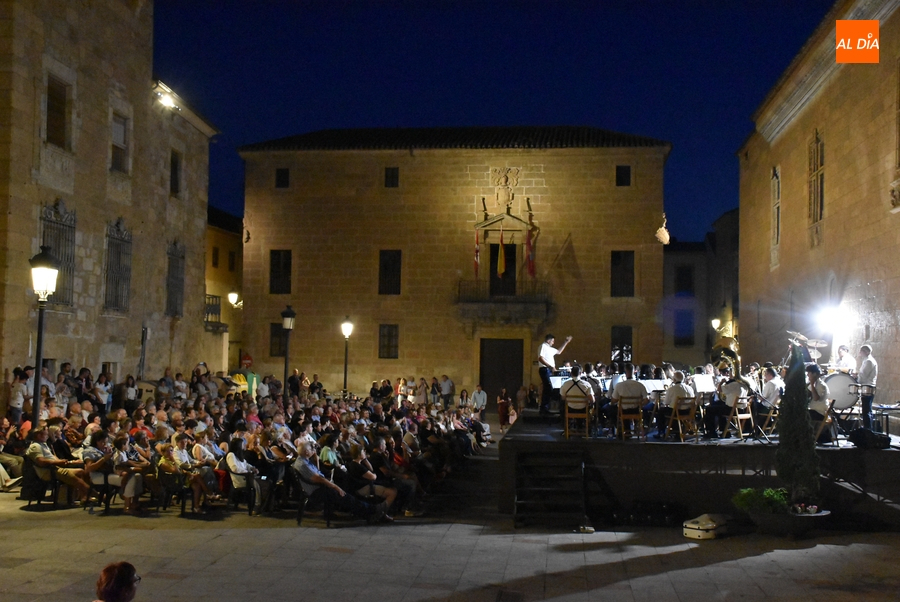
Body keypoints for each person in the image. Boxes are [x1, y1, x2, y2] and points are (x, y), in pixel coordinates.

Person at [292, 440, 390, 523]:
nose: (314, 450)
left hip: (319, 486)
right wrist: (335, 487)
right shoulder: (303, 464)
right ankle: (372, 510)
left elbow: (317, 473)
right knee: (344, 494)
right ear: (306, 452)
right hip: (317, 490)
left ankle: (367, 512)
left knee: (346, 492)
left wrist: (316, 459)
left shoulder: (304, 460)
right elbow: (319, 479)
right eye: (311, 449)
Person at [610, 363, 647, 436]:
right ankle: (636, 427)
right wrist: (640, 405)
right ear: (634, 371)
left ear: (625, 372)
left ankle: (623, 429)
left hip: (623, 411)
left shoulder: (619, 385)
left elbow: (613, 400)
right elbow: (647, 399)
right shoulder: (640, 385)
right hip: (636, 410)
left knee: (611, 410)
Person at [538, 334, 572, 414]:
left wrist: (566, 342)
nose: (553, 343)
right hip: (545, 369)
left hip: (549, 369)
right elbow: (540, 358)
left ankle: (545, 408)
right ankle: (544, 408)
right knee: (548, 388)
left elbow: (559, 352)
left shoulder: (549, 348)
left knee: (548, 388)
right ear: (548, 340)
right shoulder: (543, 346)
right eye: (552, 341)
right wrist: (550, 366)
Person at [655, 371, 694, 438]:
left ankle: (661, 432)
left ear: (674, 379)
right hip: (688, 412)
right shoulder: (689, 388)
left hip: (675, 412)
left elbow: (666, 403)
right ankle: (677, 430)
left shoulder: (672, 389)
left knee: (661, 411)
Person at [561, 366, 594, 437]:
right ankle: (582, 427)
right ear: (581, 373)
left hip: (570, 409)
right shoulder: (587, 384)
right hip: (583, 409)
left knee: (562, 406)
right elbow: (592, 400)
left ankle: (566, 428)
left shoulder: (565, 384)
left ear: (571, 373)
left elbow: (563, 398)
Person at [806, 364, 831, 442]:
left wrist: (812, 385)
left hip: (819, 412)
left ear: (814, 374)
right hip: (813, 410)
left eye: (809, 373)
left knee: (799, 415)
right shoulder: (814, 384)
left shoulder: (821, 385)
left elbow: (816, 398)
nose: (807, 375)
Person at [857, 345, 877, 430]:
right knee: (866, 409)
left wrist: (857, 378)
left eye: (861, 352)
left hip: (868, 386)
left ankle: (868, 429)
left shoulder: (869, 361)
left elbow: (863, 375)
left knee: (866, 410)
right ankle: (867, 428)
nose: (860, 354)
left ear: (866, 352)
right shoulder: (866, 360)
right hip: (866, 386)